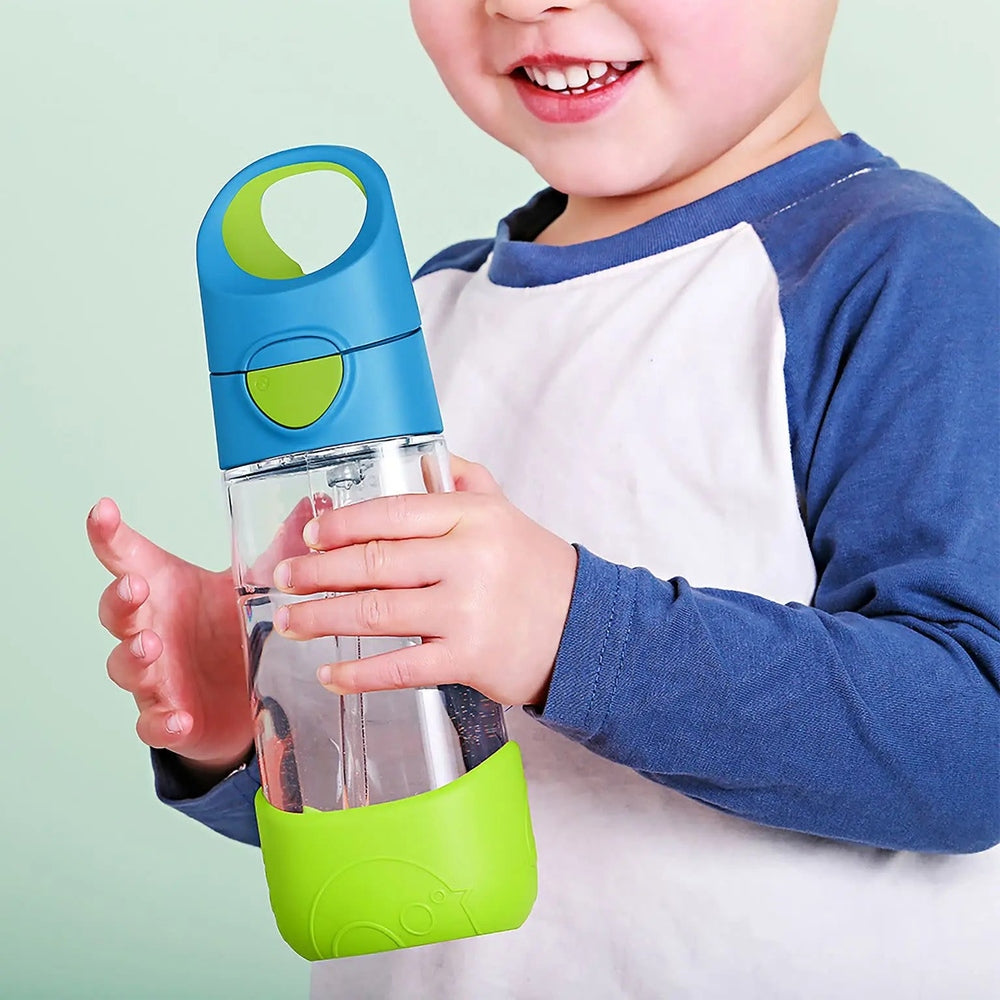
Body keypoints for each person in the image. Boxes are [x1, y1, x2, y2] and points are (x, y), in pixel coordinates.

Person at [87, 1, 1000, 996]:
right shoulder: (420, 317)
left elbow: (972, 743)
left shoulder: (906, 272)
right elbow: (406, 820)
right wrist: (269, 724)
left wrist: (568, 631)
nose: (524, 3)